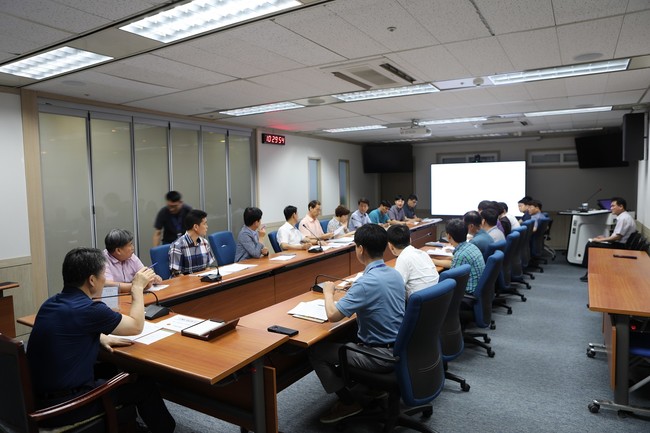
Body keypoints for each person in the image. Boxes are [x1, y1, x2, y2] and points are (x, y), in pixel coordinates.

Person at [27, 247, 175, 432]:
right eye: (103, 275)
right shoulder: (91, 310)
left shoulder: (50, 303)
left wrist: (98, 337)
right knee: (143, 384)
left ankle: (128, 424)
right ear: (91, 280)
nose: (105, 280)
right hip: (65, 408)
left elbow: (66, 332)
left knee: (110, 367)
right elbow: (136, 326)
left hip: (39, 400)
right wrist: (137, 288)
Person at [309, 224, 405, 424]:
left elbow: (333, 315)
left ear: (360, 249)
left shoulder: (365, 283)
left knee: (316, 352)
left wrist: (328, 293)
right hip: (400, 348)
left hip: (380, 357)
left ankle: (348, 402)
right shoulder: (395, 274)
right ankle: (376, 388)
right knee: (350, 333)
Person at [580, 197, 636, 282]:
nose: (611, 208)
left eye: (613, 206)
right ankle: (589, 272)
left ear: (621, 206)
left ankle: (589, 271)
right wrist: (604, 238)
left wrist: (600, 240)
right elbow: (617, 235)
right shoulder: (625, 216)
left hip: (620, 246)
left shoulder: (623, 218)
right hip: (620, 244)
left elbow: (617, 237)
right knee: (593, 243)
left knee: (591, 244)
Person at [432, 218, 485, 294]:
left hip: (467, 293)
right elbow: (454, 262)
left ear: (449, 236)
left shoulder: (460, 255)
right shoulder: (471, 246)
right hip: (479, 289)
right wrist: (435, 260)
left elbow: (451, 282)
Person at [387, 225, 439, 299]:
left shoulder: (403, 258)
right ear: (410, 240)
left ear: (390, 245)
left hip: (420, 302)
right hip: (435, 299)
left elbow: (396, 289)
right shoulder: (423, 253)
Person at [169, 209, 216, 276]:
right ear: (196, 227)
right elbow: (177, 275)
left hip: (203, 280)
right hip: (185, 282)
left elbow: (207, 267)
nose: (207, 226)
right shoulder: (177, 246)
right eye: (204, 224)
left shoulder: (205, 243)